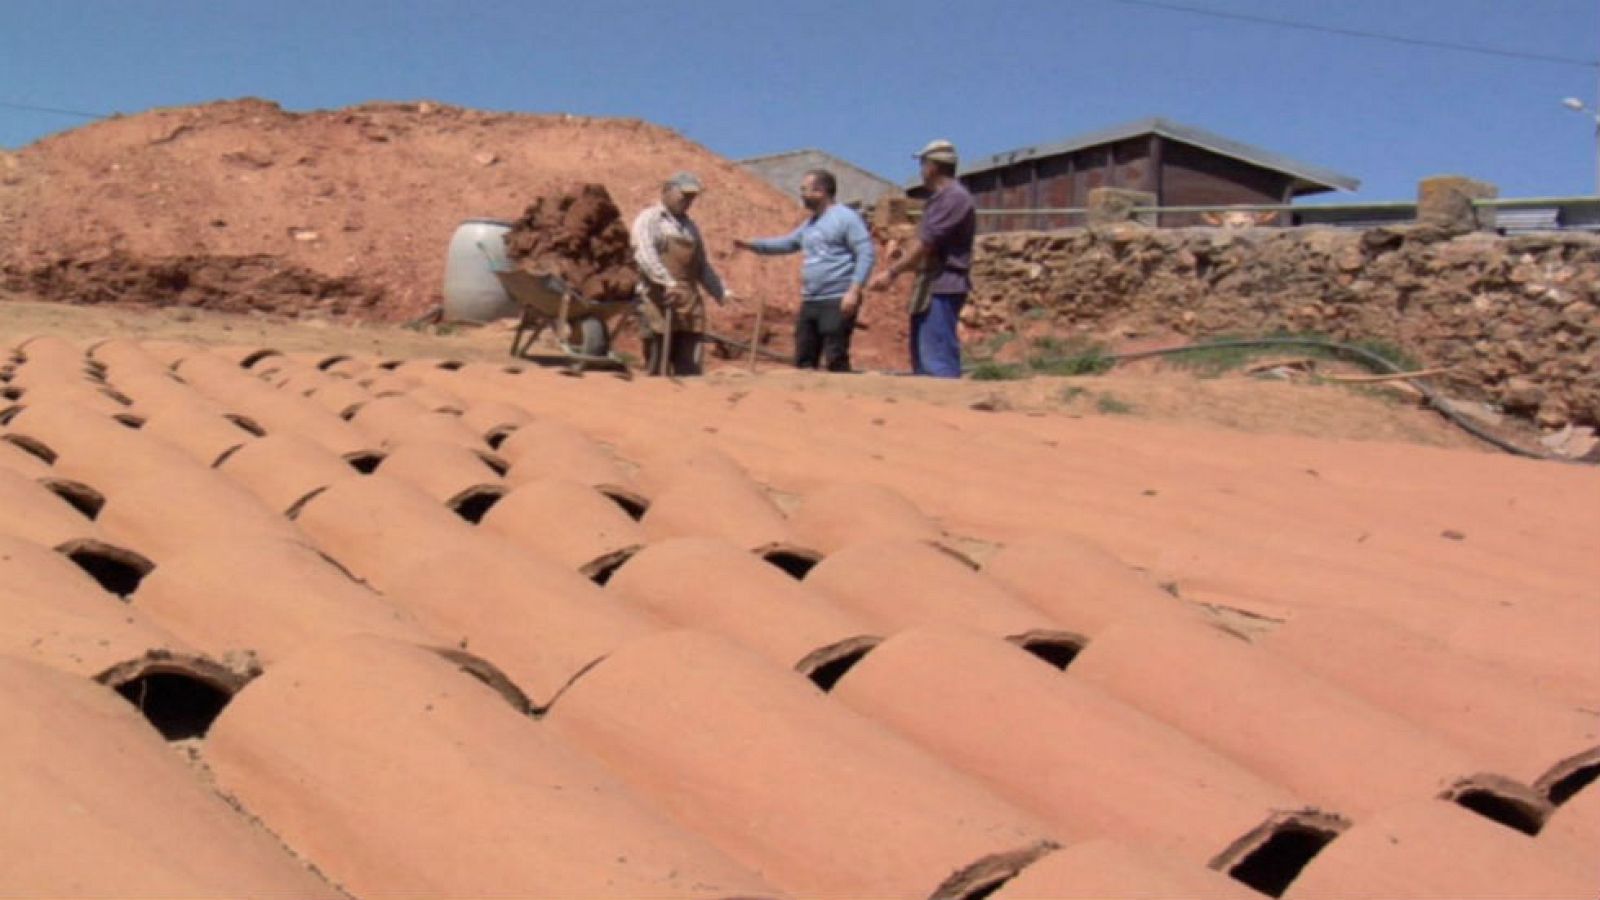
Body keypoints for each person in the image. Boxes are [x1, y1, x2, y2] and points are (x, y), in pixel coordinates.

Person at [735, 169, 875, 372]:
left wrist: (854, 291)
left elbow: (866, 253)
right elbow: (789, 243)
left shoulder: (846, 218)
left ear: (820, 191)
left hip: (837, 298)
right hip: (811, 299)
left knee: (835, 355)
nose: (801, 194)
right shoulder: (811, 224)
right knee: (804, 357)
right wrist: (754, 245)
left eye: (804, 189)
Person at [869, 139, 976, 378]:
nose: (921, 171)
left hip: (942, 285)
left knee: (937, 362)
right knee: (924, 363)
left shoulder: (953, 198)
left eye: (923, 165)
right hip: (929, 283)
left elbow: (926, 243)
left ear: (932, 167)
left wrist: (892, 272)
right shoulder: (940, 199)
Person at [630, 171, 735, 375]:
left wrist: (722, 292)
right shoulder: (650, 219)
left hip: (688, 302)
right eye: (683, 195)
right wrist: (668, 282)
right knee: (657, 362)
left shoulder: (690, 227)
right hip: (659, 298)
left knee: (689, 366)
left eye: (691, 197)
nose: (687, 201)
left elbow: (702, 266)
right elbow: (644, 254)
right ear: (666, 191)